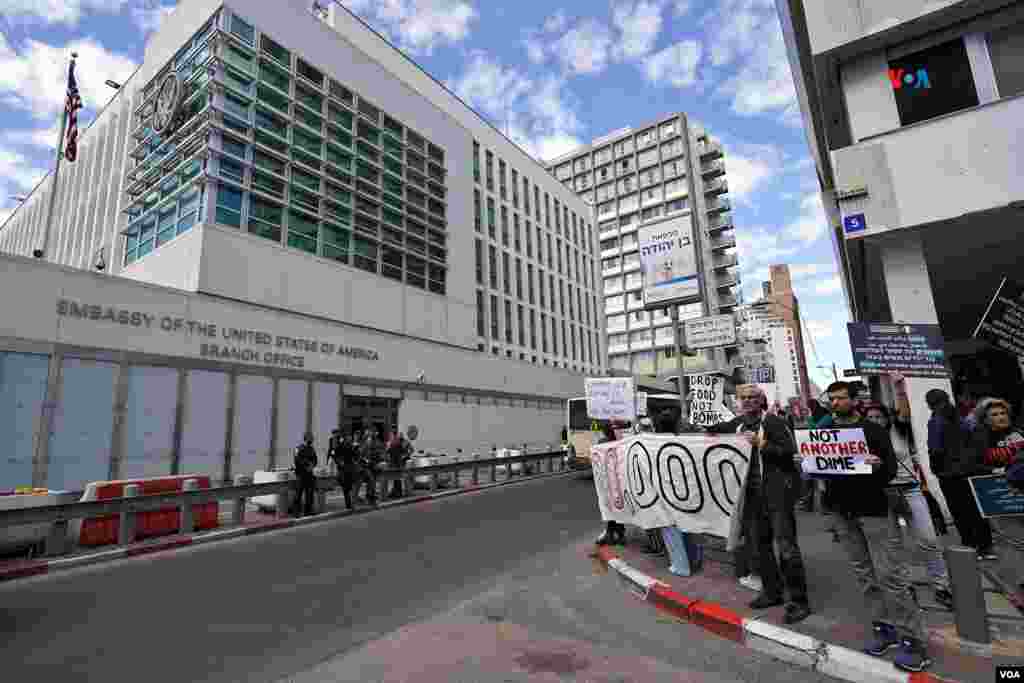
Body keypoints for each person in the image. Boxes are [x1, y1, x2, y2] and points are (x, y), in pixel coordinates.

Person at [821, 381, 931, 672]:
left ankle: (914, 641)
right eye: (831, 399)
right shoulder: (825, 432)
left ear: (854, 400)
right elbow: (820, 471)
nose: (835, 403)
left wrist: (877, 464)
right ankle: (884, 629)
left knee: (890, 575)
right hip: (841, 513)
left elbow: (891, 471)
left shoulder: (874, 431)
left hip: (874, 511)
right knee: (864, 575)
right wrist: (806, 462)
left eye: (841, 398)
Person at [706, 384, 811, 624]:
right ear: (738, 401)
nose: (748, 401)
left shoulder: (773, 422)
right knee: (759, 546)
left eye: (753, 397)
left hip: (777, 495)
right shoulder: (737, 424)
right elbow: (715, 430)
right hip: (752, 497)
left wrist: (761, 444)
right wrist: (702, 415)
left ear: (761, 399)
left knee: (786, 547)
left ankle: (798, 601)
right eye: (743, 398)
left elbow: (789, 452)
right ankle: (772, 592)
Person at [861, 373, 952, 610]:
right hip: (882, 495)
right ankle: (905, 585)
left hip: (910, 491)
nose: (874, 419)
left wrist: (900, 388)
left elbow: (904, 411)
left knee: (928, 539)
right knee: (893, 546)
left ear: (887, 417)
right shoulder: (860, 440)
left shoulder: (900, 430)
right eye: (869, 416)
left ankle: (941, 585)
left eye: (878, 416)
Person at [926, 389, 995, 560]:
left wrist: (936, 470)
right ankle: (986, 547)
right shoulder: (962, 419)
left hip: (950, 475)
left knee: (959, 511)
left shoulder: (936, 421)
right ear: (948, 399)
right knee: (976, 509)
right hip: (971, 471)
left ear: (929, 404)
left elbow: (935, 449)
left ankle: (971, 547)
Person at [970, 398, 1024, 576]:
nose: (1000, 417)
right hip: (1001, 495)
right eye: (994, 414)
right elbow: (972, 465)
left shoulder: (1020, 433)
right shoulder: (980, 438)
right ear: (985, 419)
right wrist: (995, 470)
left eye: (1003, 413)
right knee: (1014, 541)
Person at [595, 421, 627, 546]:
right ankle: (619, 534)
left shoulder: (602, 443)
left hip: (607, 481)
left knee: (609, 507)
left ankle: (611, 533)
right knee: (617, 507)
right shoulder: (620, 442)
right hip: (617, 481)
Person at [293, 431, 318, 517]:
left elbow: (315, 460)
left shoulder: (312, 449)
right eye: (311, 437)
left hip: (309, 474)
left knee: (310, 493)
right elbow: (297, 460)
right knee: (298, 494)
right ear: (306, 438)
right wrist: (306, 465)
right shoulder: (298, 448)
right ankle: (296, 512)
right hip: (301, 474)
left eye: (312, 437)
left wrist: (312, 466)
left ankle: (308, 511)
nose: (312, 439)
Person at [386, 427, 413, 499]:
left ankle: (399, 492)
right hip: (394, 462)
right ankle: (396, 491)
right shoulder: (392, 442)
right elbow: (388, 452)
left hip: (400, 462)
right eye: (393, 432)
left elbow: (409, 450)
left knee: (399, 478)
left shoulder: (404, 442)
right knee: (396, 478)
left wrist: (406, 456)